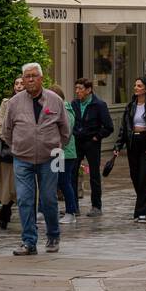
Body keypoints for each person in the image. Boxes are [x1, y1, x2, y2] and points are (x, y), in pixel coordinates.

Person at [1, 62, 69, 255]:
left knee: (49, 199)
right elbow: (7, 131)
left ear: (41, 78)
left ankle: (53, 235)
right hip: (22, 158)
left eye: (33, 76)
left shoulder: (55, 100)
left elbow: (65, 130)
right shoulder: (14, 103)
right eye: (26, 76)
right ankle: (29, 242)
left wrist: (57, 147)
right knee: (24, 199)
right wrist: (17, 147)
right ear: (22, 79)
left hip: (52, 156)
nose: (30, 79)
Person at [112, 76, 146, 222]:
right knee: (135, 177)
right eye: (135, 85)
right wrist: (117, 146)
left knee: (144, 178)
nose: (136, 88)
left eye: (139, 86)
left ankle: (140, 212)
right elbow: (124, 128)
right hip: (133, 143)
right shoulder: (130, 106)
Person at [71, 77, 114, 217]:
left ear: (89, 90)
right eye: (76, 88)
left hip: (92, 143)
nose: (77, 91)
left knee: (94, 174)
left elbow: (109, 127)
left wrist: (97, 137)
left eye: (80, 88)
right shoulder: (74, 104)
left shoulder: (99, 104)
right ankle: (73, 207)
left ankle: (96, 206)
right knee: (72, 173)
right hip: (77, 142)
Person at [0, 77, 23, 229]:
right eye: (16, 83)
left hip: (28, 151)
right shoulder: (6, 103)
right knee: (8, 186)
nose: (19, 86)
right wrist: (12, 141)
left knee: (23, 186)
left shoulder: (35, 102)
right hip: (9, 152)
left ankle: (27, 215)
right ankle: (5, 211)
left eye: (21, 83)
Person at [54, 86, 79, 224]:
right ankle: (52, 211)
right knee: (55, 182)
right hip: (57, 152)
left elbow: (66, 133)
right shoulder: (58, 110)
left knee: (64, 182)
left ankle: (71, 211)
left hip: (65, 153)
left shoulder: (66, 111)